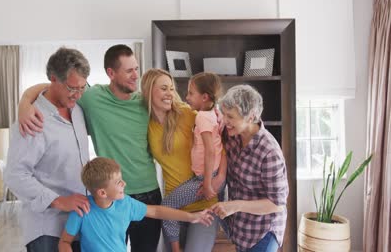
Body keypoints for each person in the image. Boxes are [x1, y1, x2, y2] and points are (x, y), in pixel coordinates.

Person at [17, 44, 162, 251]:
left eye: (137, 69)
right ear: (111, 73)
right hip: (109, 195)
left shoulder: (145, 102)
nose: (135, 76)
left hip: (148, 192)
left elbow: (174, 104)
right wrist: (24, 102)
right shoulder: (91, 98)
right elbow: (53, 85)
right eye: (129, 70)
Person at [4, 47, 91, 252]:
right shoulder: (33, 120)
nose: (78, 95)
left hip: (79, 224)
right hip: (48, 229)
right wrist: (58, 201)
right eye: (72, 88)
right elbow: (15, 175)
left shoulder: (77, 110)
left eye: (82, 88)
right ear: (54, 79)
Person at [140, 69, 226, 252]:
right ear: (148, 91)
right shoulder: (146, 123)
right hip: (174, 207)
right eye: (164, 88)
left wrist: (220, 177)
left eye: (171, 88)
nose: (170, 93)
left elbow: (221, 143)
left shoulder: (189, 114)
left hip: (204, 203)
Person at [58, 157, 213, 252]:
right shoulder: (81, 210)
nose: (124, 184)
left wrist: (191, 217)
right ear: (102, 193)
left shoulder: (126, 204)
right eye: (119, 182)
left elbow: (157, 212)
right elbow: (65, 242)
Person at [210, 85, 289, 252]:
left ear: (251, 117)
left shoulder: (269, 152)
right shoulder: (232, 135)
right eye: (224, 114)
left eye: (230, 116)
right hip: (241, 228)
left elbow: (276, 204)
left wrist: (235, 205)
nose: (224, 120)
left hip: (263, 230)